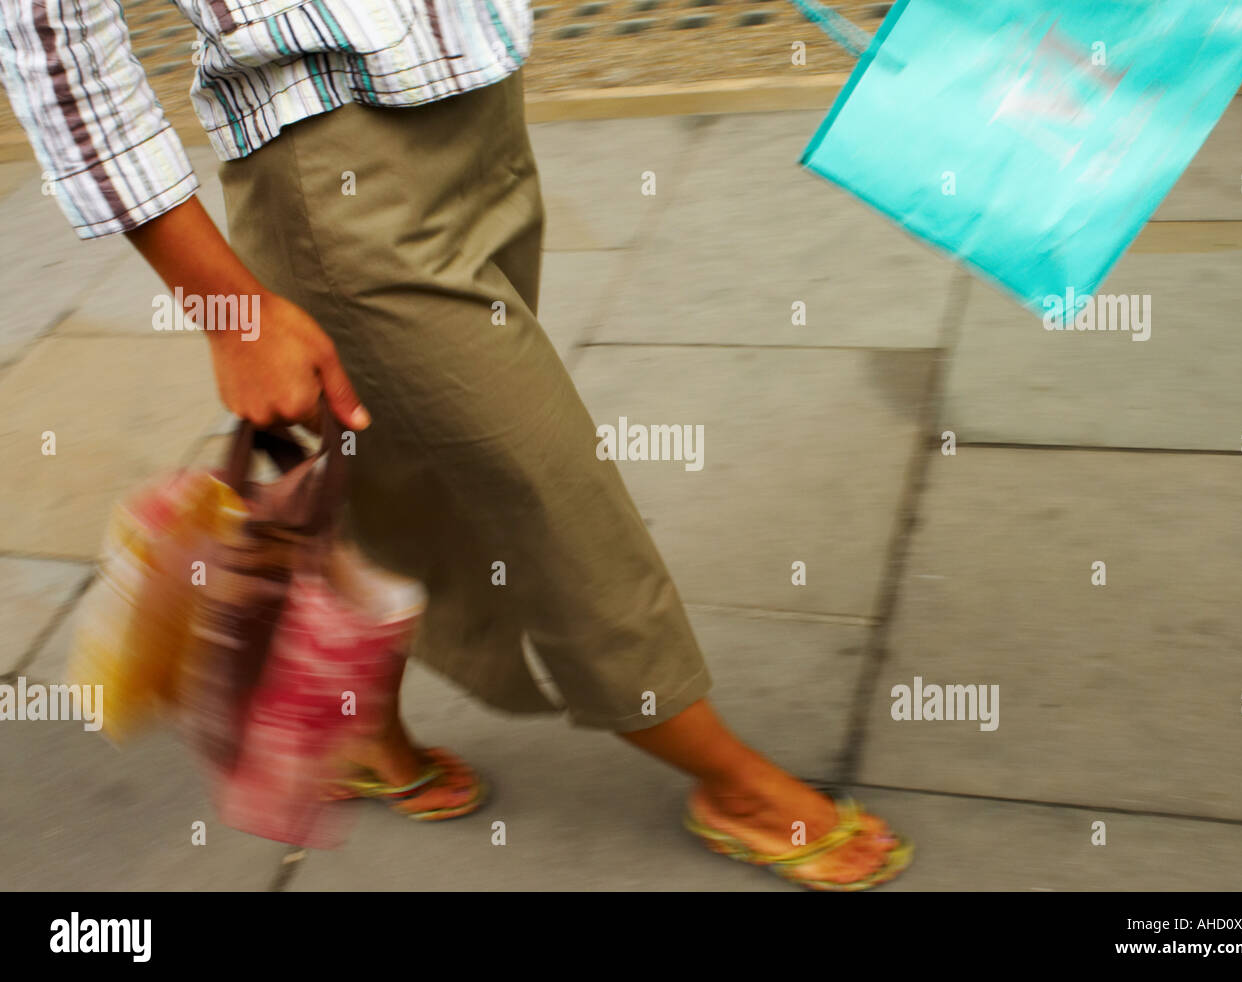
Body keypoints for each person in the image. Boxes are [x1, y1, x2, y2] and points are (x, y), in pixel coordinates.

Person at [0, 0, 911, 890]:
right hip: (334, 164)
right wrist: (229, 312)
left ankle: (357, 722)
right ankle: (733, 784)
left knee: (413, 468)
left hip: (480, 105)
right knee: (549, 491)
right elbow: (58, 48)